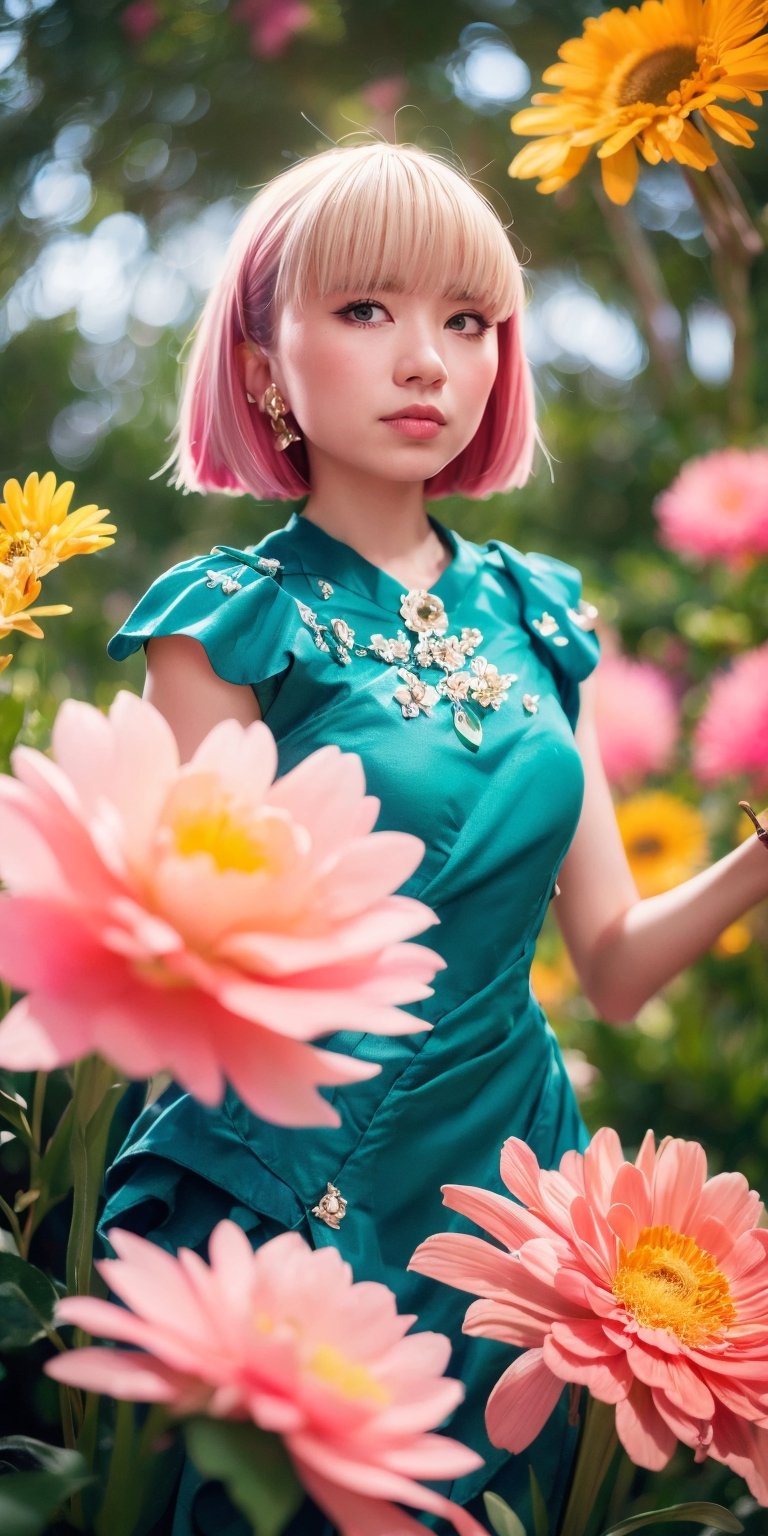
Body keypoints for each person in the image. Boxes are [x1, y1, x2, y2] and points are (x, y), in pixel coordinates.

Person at [100, 142, 768, 1535]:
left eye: (466, 321)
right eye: (365, 311)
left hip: (515, 1190)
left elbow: (621, 963)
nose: (427, 360)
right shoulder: (224, 623)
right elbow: (165, 982)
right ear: (265, 365)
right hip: (299, 1182)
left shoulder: (541, 616)